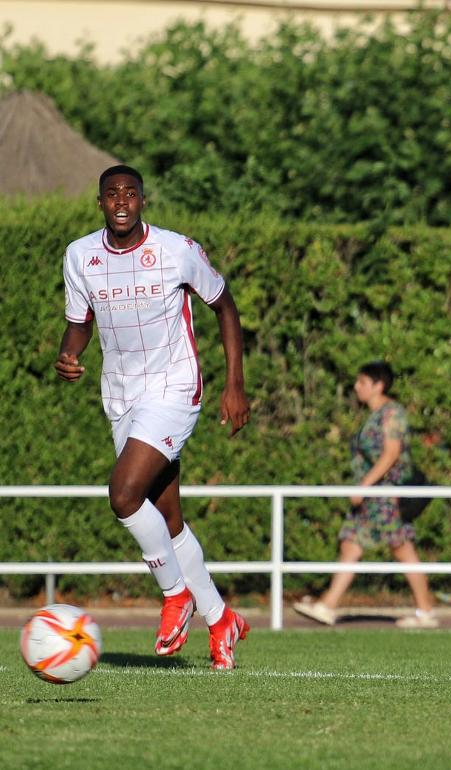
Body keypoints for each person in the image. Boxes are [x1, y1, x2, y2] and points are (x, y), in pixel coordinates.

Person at [56, 165, 251, 670]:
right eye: (111, 194)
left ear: (144, 200)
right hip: (120, 395)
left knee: (124, 494)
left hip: (173, 387)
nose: (121, 201)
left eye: (130, 193)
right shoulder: (80, 256)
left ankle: (175, 596)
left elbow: (225, 308)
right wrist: (68, 354)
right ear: (99, 202)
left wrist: (235, 384)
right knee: (168, 520)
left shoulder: (175, 249)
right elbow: (79, 323)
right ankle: (221, 618)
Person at [294, 361, 439, 629]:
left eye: (362, 382)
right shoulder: (374, 415)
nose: (356, 387)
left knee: (402, 548)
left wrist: (364, 485)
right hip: (374, 495)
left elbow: (391, 454)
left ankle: (426, 611)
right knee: (351, 544)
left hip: (387, 495)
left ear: (378, 385)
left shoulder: (392, 413)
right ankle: (327, 606)